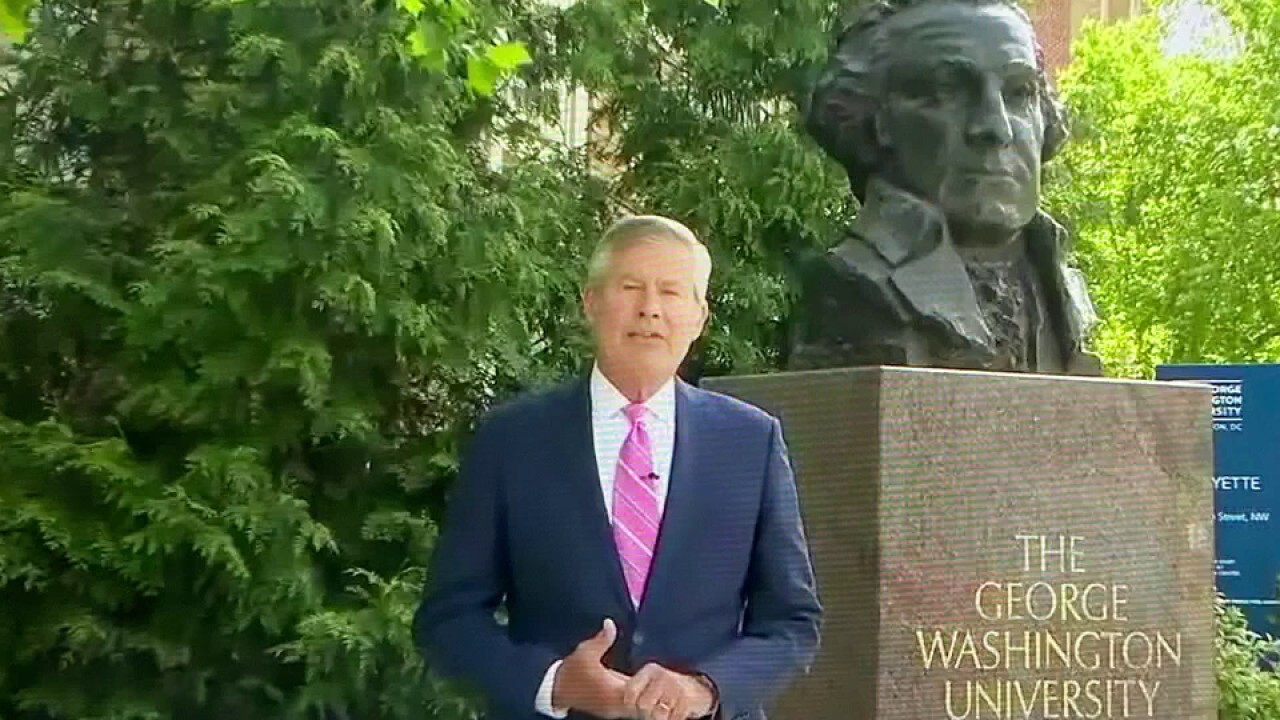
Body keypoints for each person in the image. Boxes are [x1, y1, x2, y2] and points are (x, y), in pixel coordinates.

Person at [414, 215, 822, 720]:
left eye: (671, 292)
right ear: (591, 302)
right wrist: (555, 683)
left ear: (698, 317)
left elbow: (792, 622)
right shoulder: (512, 440)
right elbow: (448, 618)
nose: (650, 309)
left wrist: (705, 689)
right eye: (631, 288)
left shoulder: (750, 441)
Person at [789, 0, 1103, 375]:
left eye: (1019, 93)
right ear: (877, 120)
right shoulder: (851, 283)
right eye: (949, 91)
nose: (996, 128)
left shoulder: (1062, 290)